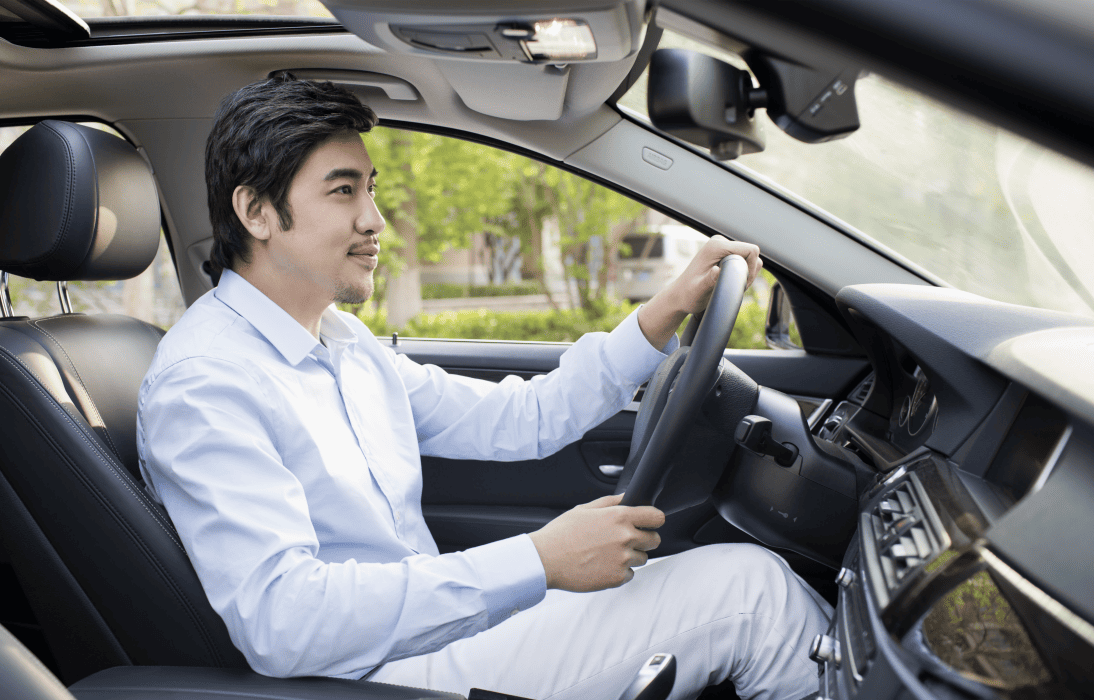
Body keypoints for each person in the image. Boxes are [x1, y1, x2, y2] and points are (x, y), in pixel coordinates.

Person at [137, 76, 831, 700]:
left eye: (370, 188)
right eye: (343, 191)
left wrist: (665, 311)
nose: (375, 219)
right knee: (752, 594)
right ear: (256, 212)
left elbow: (521, 417)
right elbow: (286, 623)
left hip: (435, 637)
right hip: (377, 677)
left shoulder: (342, 344)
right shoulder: (205, 382)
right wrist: (540, 560)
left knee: (743, 581)